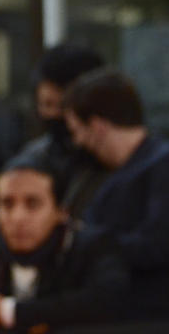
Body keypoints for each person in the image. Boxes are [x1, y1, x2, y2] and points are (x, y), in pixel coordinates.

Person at [63, 67, 169, 320]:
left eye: (77, 131)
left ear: (97, 125)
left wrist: (85, 242)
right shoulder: (98, 175)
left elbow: (161, 243)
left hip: (151, 323)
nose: (78, 142)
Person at [0, 158, 129, 334]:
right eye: (7, 204)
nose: (18, 218)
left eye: (32, 204)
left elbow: (109, 301)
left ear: (61, 212)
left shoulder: (94, 248)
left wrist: (9, 312)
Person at [13, 44, 107, 219]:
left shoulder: (115, 164)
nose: (56, 115)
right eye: (47, 105)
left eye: (64, 106)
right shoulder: (33, 159)